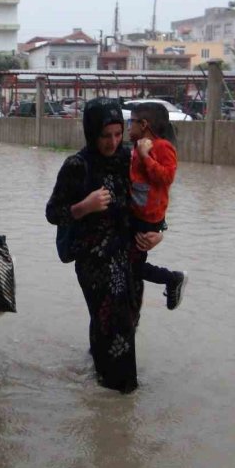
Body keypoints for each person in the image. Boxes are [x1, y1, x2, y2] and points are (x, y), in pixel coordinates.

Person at [45, 98, 163, 394]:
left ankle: (100, 380)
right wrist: (83, 207)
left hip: (131, 253)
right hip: (95, 259)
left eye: (118, 134)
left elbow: (154, 200)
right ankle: (121, 393)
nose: (112, 142)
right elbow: (52, 212)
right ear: (90, 133)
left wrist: (159, 231)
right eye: (104, 136)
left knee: (128, 319)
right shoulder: (77, 166)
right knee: (114, 319)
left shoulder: (131, 158)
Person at [127, 102, 188, 310]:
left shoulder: (162, 147)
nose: (128, 127)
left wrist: (145, 157)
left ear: (143, 124)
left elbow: (166, 177)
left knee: (132, 266)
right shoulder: (135, 147)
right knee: (128, 263)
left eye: (131, 122)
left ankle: (172, 279)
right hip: (136, 214)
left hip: (147, 218)